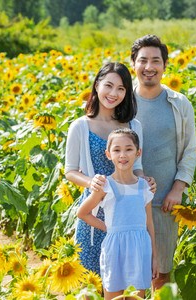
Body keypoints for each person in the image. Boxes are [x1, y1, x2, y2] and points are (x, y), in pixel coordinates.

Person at [65, 62, 155, 276]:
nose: (114, 93)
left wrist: (146, 181)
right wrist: (91, 182)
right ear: (97, 85)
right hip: (94, 214)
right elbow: (70, 171)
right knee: (91, 282)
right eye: (109, 85)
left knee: (125, 283)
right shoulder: (80, 126)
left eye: (121, 88)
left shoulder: (134, 126)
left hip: (127, 214)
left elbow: (138, 168)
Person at [131, 35, 196, 289]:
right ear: (133, 64)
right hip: (127, 201)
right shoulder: (123, 103)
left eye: (155, 61)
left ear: (165, 65)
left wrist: (178, 189)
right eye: (143, 60)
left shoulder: (179, 104)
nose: (149, 66)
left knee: (161, 273)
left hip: (164, 202)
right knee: (129, 273)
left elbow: (189, 150)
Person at [77, 128, 158, 300]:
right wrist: (109, 228)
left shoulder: (145, 187)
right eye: (117, 150)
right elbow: (82, 213)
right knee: (113, 297)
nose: (123, 154)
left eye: (129, 149)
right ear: (108, 154)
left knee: (135, 297)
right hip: (114, 250)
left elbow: (149, 224)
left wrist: (154, 258)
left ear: (138, 153)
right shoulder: (105, 185)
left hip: (140, 251)